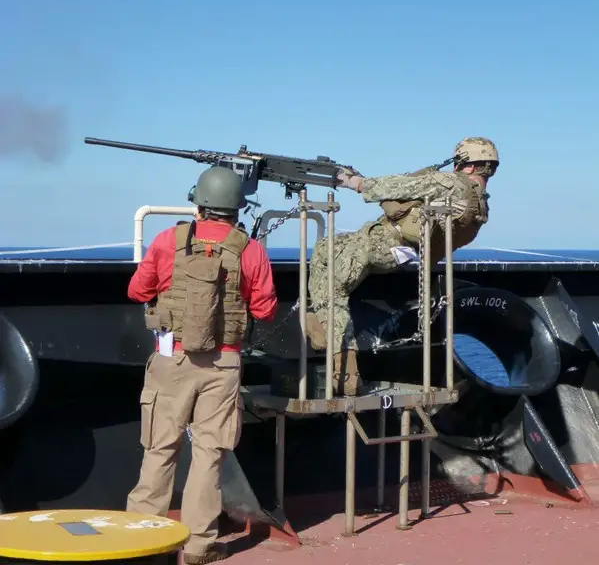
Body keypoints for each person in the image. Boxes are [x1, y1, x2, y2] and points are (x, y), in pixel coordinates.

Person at [126, 166, 278, 565]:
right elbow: (264, 309)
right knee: (209, 455)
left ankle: (142, 539)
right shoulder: (250, 249)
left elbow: (137, 289)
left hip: (170, 357)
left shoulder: (166, 240)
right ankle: (198, 546)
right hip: (224, 363)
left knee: (159, 448)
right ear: (236, 210)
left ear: (200, 205)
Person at [306, 137, 499, 397]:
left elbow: (395, 186)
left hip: (380, 245)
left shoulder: (450, 183)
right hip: (406, 255)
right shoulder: (480, 205)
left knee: (329, 281)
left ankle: (344, 369)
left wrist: (352, 181)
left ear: (467, 165)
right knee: (332, 245)